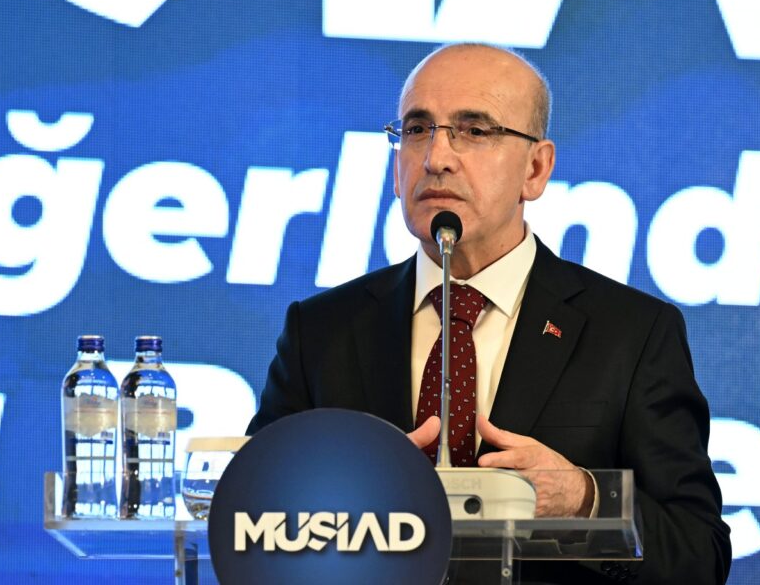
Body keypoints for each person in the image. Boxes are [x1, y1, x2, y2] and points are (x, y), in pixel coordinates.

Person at [246, 43, 730, 584]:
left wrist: (584, 499)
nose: (436, 157)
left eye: (474, 131)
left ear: (536, 168)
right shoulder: (321, 331)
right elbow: (252, 523)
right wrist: (342, 501)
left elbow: (698, 552)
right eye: (416, 129)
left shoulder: (632, 335)